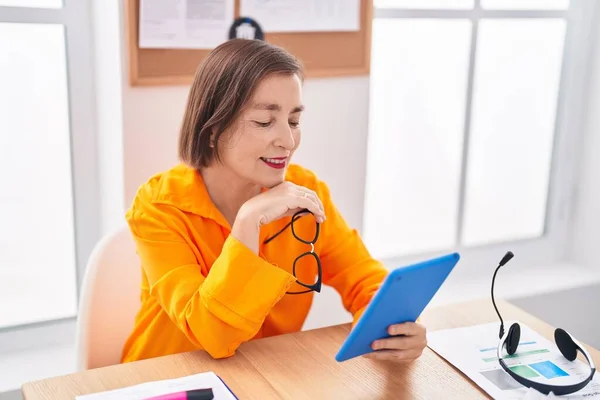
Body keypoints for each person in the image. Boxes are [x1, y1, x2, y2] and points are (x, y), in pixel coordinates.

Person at [121, 39, 427, 364]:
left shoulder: (306, 191)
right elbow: (213, 335)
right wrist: (248, 222)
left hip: (265, 376)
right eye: (265, 122)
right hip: (165, 380)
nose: (289, 140)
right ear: (212, 128)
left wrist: (396, 330)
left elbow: (365, 280)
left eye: (294, 121)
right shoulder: (158, 207)